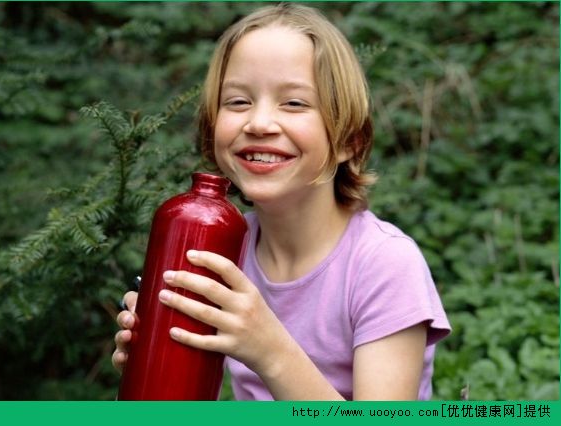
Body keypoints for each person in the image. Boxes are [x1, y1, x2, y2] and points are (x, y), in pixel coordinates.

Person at [112, 3, 450, 400]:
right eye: (238, 101)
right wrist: (155, 363)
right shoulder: (221, 249)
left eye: (294, 103)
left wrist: (270, 351)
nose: (258, 123)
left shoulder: (383, 264)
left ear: (348, 141)